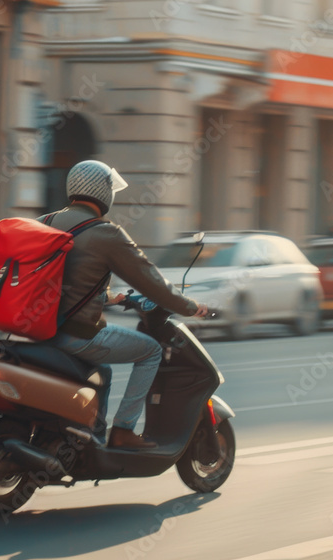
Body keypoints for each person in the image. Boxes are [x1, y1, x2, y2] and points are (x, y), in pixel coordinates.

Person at [43, 160, 208, 449]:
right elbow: (151, 281)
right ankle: (123, 431)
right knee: (151, 351)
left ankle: (92, 435)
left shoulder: (43, 222)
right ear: (103, 193)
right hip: (75, 334)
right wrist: (190, 306)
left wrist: (106, 296)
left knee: (102, 371)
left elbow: (62, 280)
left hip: (37, 331)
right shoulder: (105, 233)